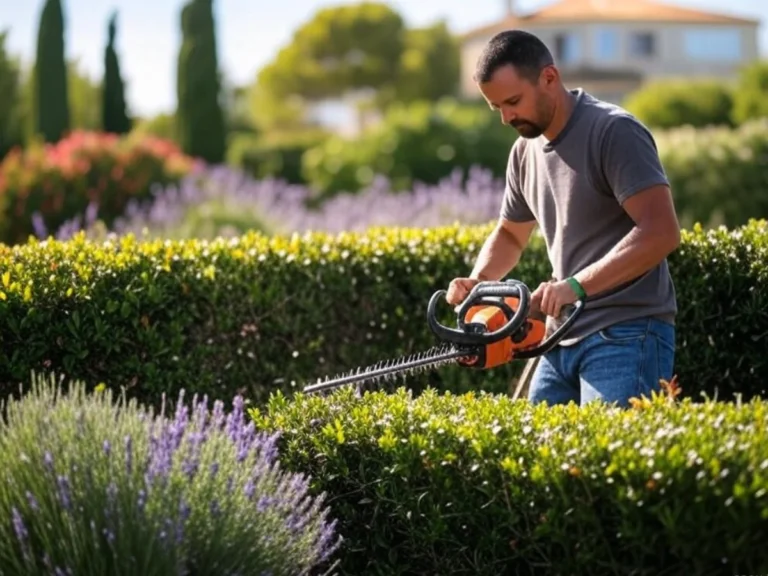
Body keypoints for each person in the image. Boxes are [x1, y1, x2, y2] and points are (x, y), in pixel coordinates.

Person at [445, 29, 681, 408]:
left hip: (626, 334)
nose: (507, 117)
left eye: (514, 101)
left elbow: (661, 232)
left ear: (549, 78)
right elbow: (510, 234)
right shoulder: (524, 152)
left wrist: (575, 285)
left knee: (610, 463)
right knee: (538, 459)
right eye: (497, 108)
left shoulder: (613, 131)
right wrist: (480, 282)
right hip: (559, 339)